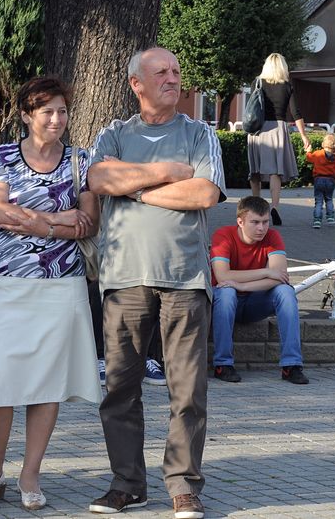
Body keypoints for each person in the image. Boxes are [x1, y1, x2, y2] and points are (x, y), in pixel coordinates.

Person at [87, 47, 226, 519]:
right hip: (124, 277)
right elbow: (100, 178)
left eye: (175, 71)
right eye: (161, 72)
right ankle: (128, 483)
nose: (172, 78)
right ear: (136, 84)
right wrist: (165, 175)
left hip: (185, 278)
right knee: (120, 387)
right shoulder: (114, 133)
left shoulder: (199, 132)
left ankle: (183, 487)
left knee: (186, 391)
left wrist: (135, 188)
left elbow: (205, 192)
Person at [0, 77, 101, 512]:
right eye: (47, 111)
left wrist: (37, 223)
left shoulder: (81, 160)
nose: (57, 119)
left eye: (62, 110)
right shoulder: (3, 155)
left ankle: (31, 473)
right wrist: (54, 220)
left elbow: (89, 222)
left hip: (61, 284)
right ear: (26, 115)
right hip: (3, 281)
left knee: (46, 383)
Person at [210, 196, 308, 385]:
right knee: (226, 292)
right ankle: (223, 364)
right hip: (226, 302)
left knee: (286, 291)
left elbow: (280, 276)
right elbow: (222, 276)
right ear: (240, 221)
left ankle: (291, 365)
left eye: (265, 222)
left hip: (255, 301)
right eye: (255, 222)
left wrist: (242, 285)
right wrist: (265, 271)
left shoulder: (272, 236)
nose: (261, 228)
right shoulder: (223, 235)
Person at [247, 53, 310, 226]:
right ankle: (274, 207)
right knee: (275, 171)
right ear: (283, 67)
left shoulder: (257, 83)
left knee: (256, 171)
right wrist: (304, 135)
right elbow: (296, 112)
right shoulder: (287, 86)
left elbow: (252, 108)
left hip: (258, 130)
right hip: (279, 129)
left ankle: (255, 207)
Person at [304, 133, 335, 229]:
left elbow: (309, 158)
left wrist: (308, 151)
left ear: (323, 144)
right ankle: (330, 217)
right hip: (330, 180)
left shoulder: (318, 154)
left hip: (318, 179)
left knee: (318, 201)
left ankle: (317, 221)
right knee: (329, 199)